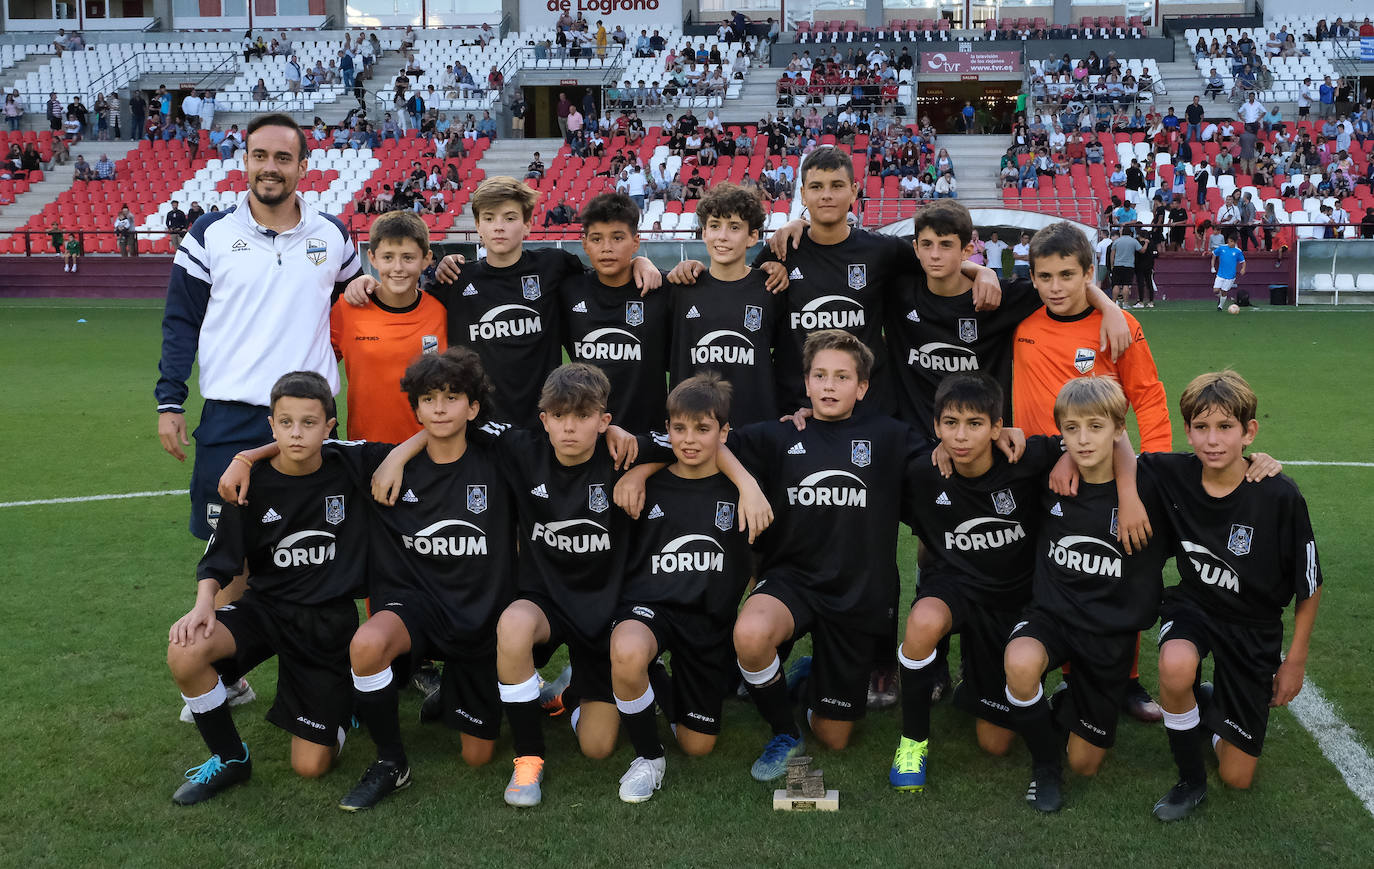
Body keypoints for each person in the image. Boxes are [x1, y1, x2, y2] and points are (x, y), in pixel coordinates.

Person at [155, 107, 365, 696]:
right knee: (229, 547)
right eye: (259, 156)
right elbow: (180, 323)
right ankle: (229, 668)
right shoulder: (209, 236)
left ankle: (322, 662)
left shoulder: (334, 237)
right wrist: (169, 402)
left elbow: (366, 300)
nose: (270, 168)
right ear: (244, 161)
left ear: (303, 166)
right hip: (232, 415)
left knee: (316, 541)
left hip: (309, 420)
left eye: (282, 157)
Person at [891, 372, 1117, 794]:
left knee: (994, 744)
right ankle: (912, 742)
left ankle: (992, 691)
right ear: (935, 427)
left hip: (1016, 604)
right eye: (951, 423)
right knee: (922, 621)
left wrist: (1065, 454)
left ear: (997, 427)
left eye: (975, 424)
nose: (961, 436)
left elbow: (1110, 441)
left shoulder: (1026, 458)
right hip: (957, 589)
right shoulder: (922, 473)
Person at [722, 330, 925, 779]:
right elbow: (709, 441)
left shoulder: (890, 436)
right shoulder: (780, 434)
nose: (829, 386)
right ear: (806, 383)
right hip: (792, 582)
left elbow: (951, 455)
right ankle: (784, 732)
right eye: (820, 376)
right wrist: (748, 484)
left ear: (863, 387)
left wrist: (1004, 433)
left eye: (841, 377)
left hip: (855, 596)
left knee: (834, 737)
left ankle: (809, 676)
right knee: (751, 635)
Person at [164, 372, 364, 805]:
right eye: (286, 422)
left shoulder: (349, 465)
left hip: (326, 623)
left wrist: (245, 453)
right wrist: (203, 605)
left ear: (330, 427)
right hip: (266, 610)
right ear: (271, 425)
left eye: (309, 423)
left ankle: (344, 702)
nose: (296, 433)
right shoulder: (248, 485)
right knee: (186, 647)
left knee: (311, 767)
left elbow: (415, 442)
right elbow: (219, 557)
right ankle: (231, 758)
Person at [1143, 371, 1321, 820]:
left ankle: (1207, 704)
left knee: (1238, 777)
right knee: (1175, 664)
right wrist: (1071, 462)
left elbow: (1309, 585)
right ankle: (1189, 780)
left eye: (1226, 427)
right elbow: (1115, 453)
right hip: (1195, 607)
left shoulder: (1278, 495)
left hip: (1253, 626)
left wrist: (1294, 661)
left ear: (1249, 432)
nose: (1213, 440)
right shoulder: (1174, 474)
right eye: (1201, 428)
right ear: (1187, 431)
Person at [1002, 376, 1168, 811]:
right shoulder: (1050, 473)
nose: (1082, 439)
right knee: (1019, 663)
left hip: (1108, 634)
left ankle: (1065, 703)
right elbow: (995, 440)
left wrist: (1259, 463)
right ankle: (1044, 769)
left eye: (1095, 427)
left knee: (1085, 764)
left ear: (1118, 429)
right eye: (1071, 428)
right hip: (1051, 617)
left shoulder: (1153, 486)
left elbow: (1214, 473)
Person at [606, 373, 755, 801]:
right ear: (666, 428)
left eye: (703, 429)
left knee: (698, 744)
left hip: (707, 621)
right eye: (679, 429)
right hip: (649, 607)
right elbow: (605, 435)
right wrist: (636, 472)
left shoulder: (743, 487)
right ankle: (648, 758)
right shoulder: (644, 480)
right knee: (628, 650)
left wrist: (748, 485)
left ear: (724, 433)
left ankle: (652, 680)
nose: (689, 440)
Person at [667, 183, 783, 427]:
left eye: (734, 227)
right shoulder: (681, 287)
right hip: (693, 430)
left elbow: (789, 357)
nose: (722, 236)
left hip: (756, 428)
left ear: (752, 236)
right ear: (703, 233)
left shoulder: (771, 288)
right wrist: (641, 263)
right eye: (715, 226)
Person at [329, 211, 446, 443]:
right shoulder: (347, 310)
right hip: (366, 452)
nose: (398, 267)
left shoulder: (441, 311)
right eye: (388, 257)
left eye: (408, 258)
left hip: (429, 453)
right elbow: (313, 367)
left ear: (426, 258)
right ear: (372, 258)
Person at [561, 193, 669, 432]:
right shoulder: (567, 290)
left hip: (647, 438)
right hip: (587, 437)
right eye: (597, 239)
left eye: (618, 237)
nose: (607, 248)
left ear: (636, 241)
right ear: (584, 243)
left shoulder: (661, 289)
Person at [1211, 232, 1246, 309]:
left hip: (1230, 276)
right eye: (1229, 241)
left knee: (1224, 291)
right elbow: (1214, 254)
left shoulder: (1238, 251)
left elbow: (1243, 261)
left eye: (1231, 241)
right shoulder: (1222, 248)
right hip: (1220, 274)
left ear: (1235, 242)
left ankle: (1220, 306)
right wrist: (1212, 266)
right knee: (1215, 290)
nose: (1229, 243)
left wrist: (1243, 268)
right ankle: (1221, 298)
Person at [1111, 228, 1143, 307]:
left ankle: (1113, 302)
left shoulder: (1117, 241)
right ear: (1130, 233)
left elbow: (1112, 254)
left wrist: (1112, 265)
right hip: (1129, 266)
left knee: (1116, 284)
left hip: (1117, 265)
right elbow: (1141, 250)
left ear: (1122, 233)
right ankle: (1125, 304)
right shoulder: (1133, 241)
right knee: (1126, 285)